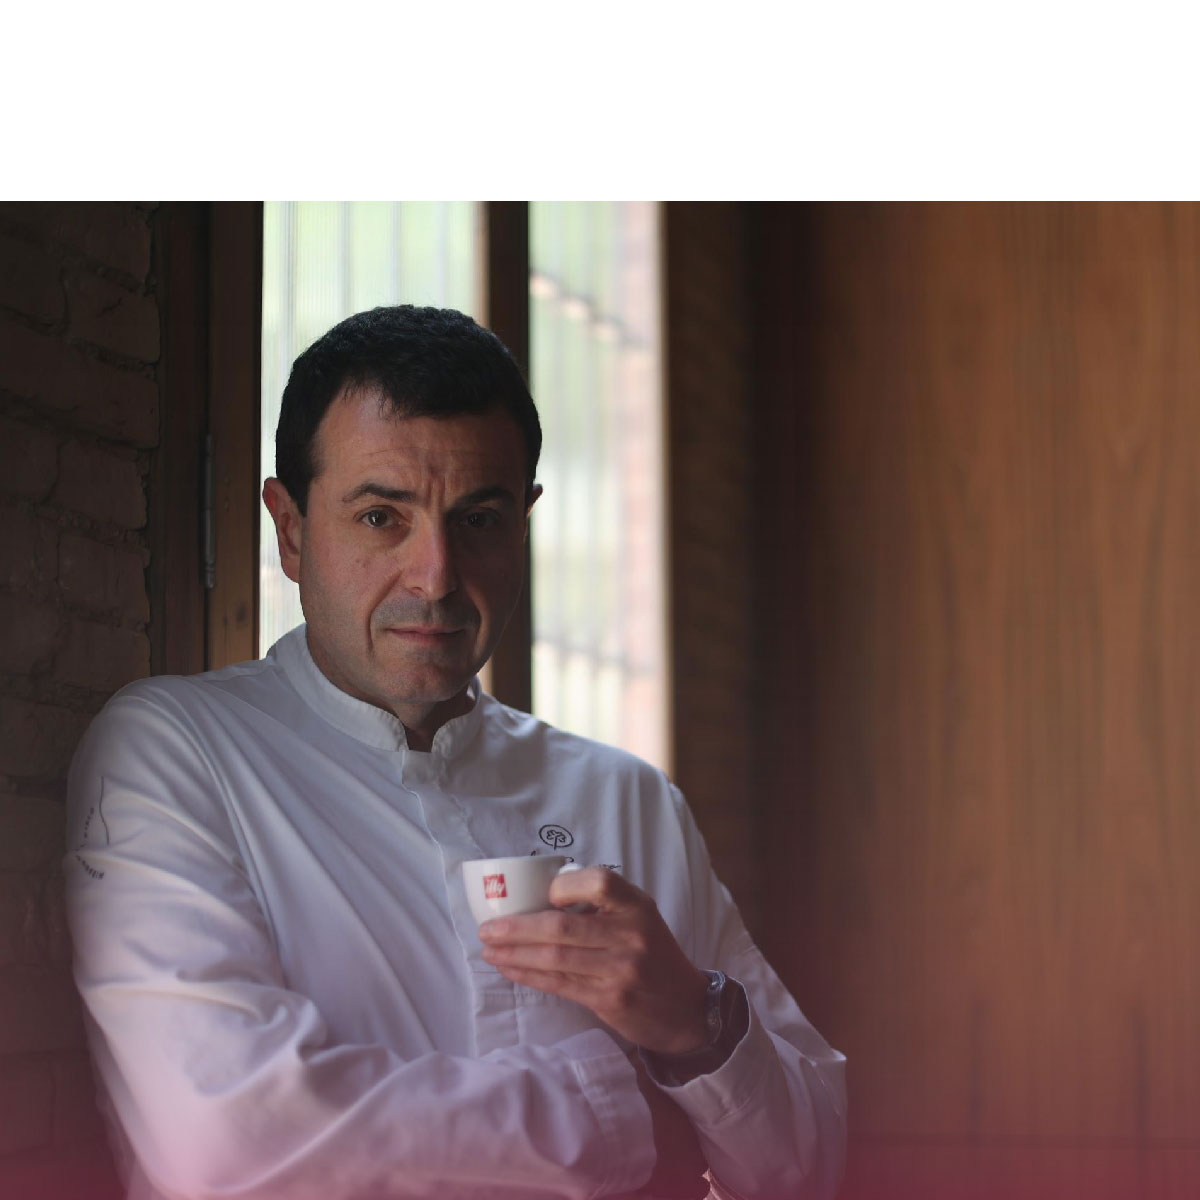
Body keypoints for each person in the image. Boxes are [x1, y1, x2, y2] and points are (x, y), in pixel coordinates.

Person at [65, 306, 846, 1200]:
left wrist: (699, 1031)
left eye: (478, 519)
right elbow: (231, 1145)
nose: (436, 575)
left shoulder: (628, 798)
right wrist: (624, 1114)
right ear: (290, 530)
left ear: (524, 526)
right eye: (380, 517)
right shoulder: (179, 753)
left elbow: (814, 1165)